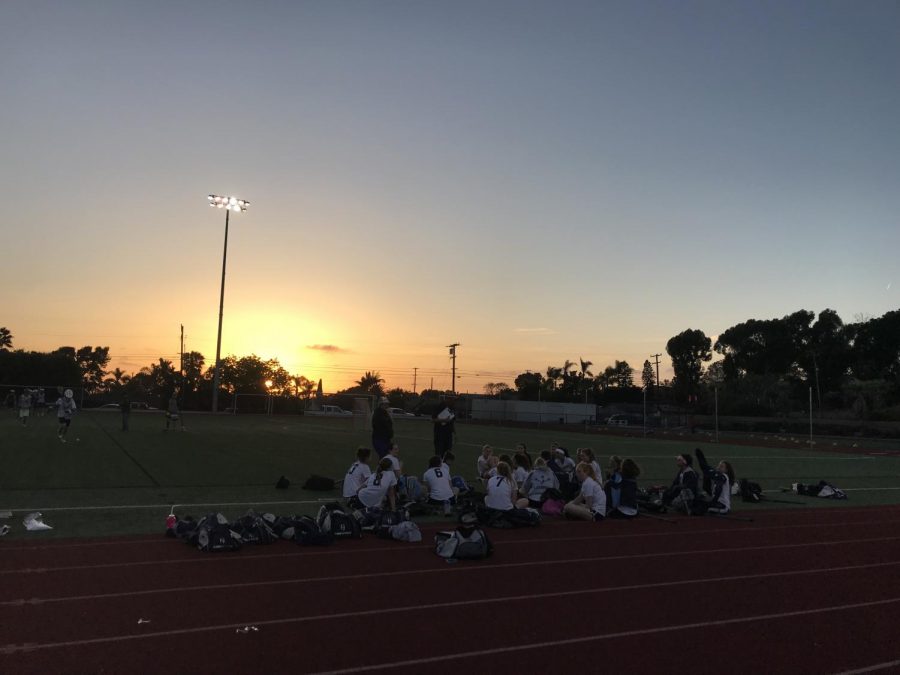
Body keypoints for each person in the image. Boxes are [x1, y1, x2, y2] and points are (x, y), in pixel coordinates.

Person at [694, 448, 734, 515]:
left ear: (726, 470)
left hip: (723, 505)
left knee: (703, 509)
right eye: (719, 465)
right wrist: (701, 458)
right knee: (697, 503)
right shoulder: (718, 476)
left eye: (721, 466)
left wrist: (713, 501)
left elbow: (719, 488)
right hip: (717, 503)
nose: (718, 467)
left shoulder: (724, 476)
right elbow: (706, 468)